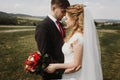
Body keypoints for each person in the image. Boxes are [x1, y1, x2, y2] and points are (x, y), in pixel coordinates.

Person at [46, 4, 103, 80]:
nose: (65, 21)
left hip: (74, 75)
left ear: (75, 19)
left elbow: (76, 63)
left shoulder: (78, 38)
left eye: (67, 18)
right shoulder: (78, 35)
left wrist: (55, 66)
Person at [35, 0, 70, 79]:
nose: (64, 15)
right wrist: (63, 70)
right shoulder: (43, 27)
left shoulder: (59, 24)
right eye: (63, 11)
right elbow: (45, 55)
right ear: (54, 8)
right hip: (53, 74)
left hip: (63, 69)